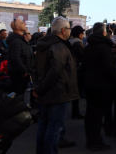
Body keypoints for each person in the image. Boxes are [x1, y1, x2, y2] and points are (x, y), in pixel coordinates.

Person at [34, 17, 79, 154]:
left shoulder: (45, 44)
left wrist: (39, 88)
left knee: (44, 125)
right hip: (57, 93)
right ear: (63, 30)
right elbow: (55, 72)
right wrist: (40, 89)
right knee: (53, 128)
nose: (70, 31)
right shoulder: (59, 46)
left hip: (47, 91)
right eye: (69, 29)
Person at [83, 22, 116, 151]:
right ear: (104, 33)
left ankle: (91, 139)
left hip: (89, 84)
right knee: (97, 115)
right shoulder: (104, 48)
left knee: (90, 113)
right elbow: (109, 68)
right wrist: (115, 81)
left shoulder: (88, 47)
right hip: (101, 86)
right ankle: (95, 140)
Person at [6, 18, 32, 97]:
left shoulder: (19, 39)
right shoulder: (16, 41)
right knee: (18, 94)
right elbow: (15, 58)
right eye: (22, 23)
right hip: (18, 73)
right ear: (17, 27)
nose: (25, 24)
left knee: (21, 94)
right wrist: (23, 71)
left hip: (20, 72)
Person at [69, 26, 85, 120]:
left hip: (72, 67)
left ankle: (75, 112)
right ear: (80, 34)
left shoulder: (70, 41)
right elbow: (83, 56)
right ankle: (75, 112)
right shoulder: (78, 43)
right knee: (76, 91)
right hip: (77, 69)